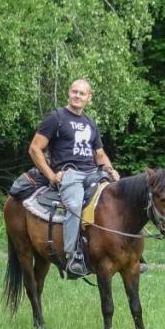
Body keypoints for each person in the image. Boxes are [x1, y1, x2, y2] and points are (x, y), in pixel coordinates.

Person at [28, 79, 120, 277]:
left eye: (82, 93)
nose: (77, 96)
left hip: (94, 174)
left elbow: (100, 154)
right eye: (74, 92)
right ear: (69, 93)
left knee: (118, 200)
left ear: (89, 97)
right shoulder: (57, 117)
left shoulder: (90, 123)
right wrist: (51, 175)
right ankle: (73, 256)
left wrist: (110, 170)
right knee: (75, 204)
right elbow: (35, 148)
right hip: (70, 174)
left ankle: (126, 251)